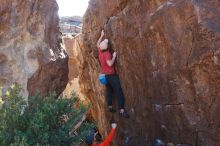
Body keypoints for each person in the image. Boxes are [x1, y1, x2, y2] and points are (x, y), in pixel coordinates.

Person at [97, 30, 129, 118]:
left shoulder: (100, 52)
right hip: (111, 76)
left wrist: (101, 35)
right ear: (107, 47)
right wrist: (114, 56)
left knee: (109, 91)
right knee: (118, 91)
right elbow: (110, 64)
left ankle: (110, 106)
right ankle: (122, 110)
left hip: (105, 77)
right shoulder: (107, 54)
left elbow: (97, 43)